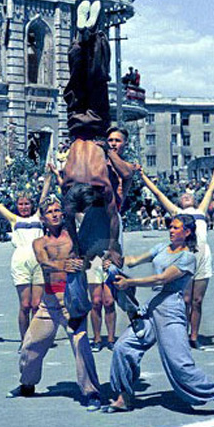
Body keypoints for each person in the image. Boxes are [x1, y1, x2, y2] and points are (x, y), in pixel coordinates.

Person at [103, 214, 214, 418]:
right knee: (123, 347)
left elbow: (162, 278)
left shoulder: (188, 257)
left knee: (179, 363)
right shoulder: (162, 247)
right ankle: (124, 397)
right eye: (170, 227)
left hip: (171, 310)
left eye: (176, 228)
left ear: (187, 232)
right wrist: (113, 261)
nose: (171, 230)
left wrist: (130, 283)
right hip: (152, 307)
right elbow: (134, 260)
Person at [7, 196, 102, 411]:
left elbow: (90, 256)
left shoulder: (74, 239)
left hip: (71, 301)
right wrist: (65, 264)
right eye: (50, 212)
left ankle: (92, 392)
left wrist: (82, 262)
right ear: (42, 218)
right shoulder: (39, 243)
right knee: (30, 345)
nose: (55, 214)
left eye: (58, 210)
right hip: (48, 303)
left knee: (81, 345)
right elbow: (45, 263)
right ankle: (27, 384)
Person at [60, 0, 134, 268]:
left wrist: (78, 250)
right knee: (77, 83)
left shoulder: (97, 185)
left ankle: (92, 36)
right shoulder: (70, 185)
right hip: (78, 130)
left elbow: (107, 216)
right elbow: (107, 217)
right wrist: (110, 246)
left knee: (97, 78)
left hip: (96, 130)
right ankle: (82, 38)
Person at [137, 161, 214, 348]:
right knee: (186, 299)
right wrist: (142, 176)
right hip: (186, 255)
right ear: (179, 202)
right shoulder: (178, 213)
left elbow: (210, 190)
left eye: (189, 195)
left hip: (203, 256)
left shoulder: (200, 211)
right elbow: (158, 193)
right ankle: (180, 334)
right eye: (183, 196)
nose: (186, 196)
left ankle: (194, 336)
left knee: (198, 300)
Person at [0, 172, 52, 343]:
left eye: (27, 204)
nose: (24, 207)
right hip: (20, 263)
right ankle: (25, 339)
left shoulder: (38, 217)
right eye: (21, 204)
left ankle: (36, 339)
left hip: (39, 262)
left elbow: (44, 197)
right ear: (17, 206)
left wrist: (48, 179)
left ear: (32, 205)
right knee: (25, 305)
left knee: (36, 305)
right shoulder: (14, 219)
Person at [87, 125, 137, 352]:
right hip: (92, 219)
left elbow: (126, 174)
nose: (113, 143)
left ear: (124, 144)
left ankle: (110, 337)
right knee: (93, 291)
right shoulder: (97, 162)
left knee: (110, 284)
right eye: (110, 140)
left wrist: (109, 152)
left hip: (112, 221)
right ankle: (96, 337)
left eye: (117, 140)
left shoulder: (125, 166)